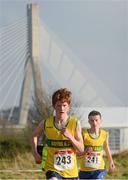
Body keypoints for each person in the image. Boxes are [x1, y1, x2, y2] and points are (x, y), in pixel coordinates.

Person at [31, 88, 84, 179]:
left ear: (69, 106)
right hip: (52, 168)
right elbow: (34, 136)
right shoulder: (46, 122)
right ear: (54, 106)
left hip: (71, 172)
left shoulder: (75, 123)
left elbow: (81, 149)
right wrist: (35, 153)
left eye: (64, 105)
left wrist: (70, 137)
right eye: (58, 105)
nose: (61, 108)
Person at [78, 110, 115, 179]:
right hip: (85, 170)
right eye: (92, 120)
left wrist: (111, 161)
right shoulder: (84, 134)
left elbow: (106, 148)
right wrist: (84, 152)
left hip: (99, 169)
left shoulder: (104, 134)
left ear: (100, 121)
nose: (94, 123)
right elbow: (78, 152)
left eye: (96, 120)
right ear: (89, 121)